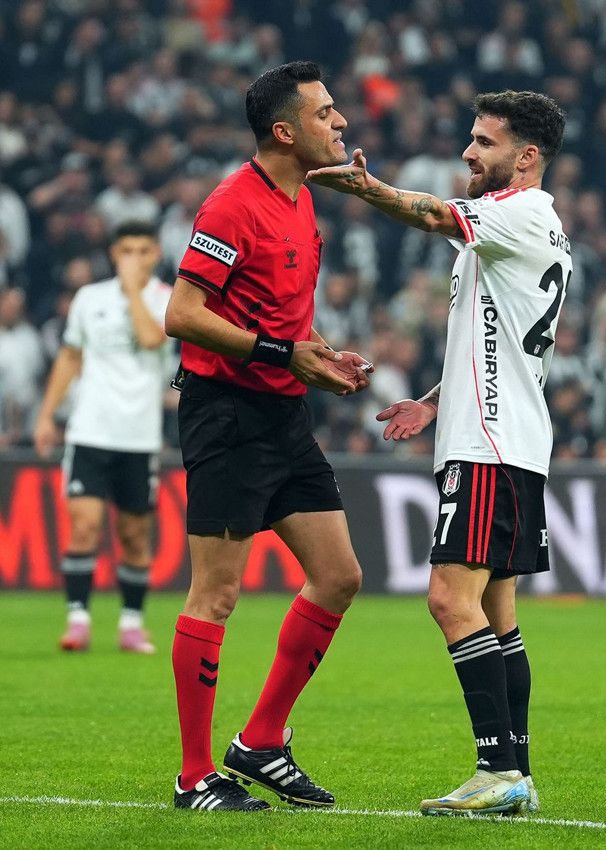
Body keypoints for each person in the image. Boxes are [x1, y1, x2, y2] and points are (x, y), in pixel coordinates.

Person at [309, 89, 570, 815]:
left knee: (449, 600)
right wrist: (431, 400)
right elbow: (495, 336)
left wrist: (367, 188)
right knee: (497, 613)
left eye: (484, 142)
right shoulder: (535, 225)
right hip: (511, 440)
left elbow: (428, 214)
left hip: (488, 444)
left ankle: (495, 771)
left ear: (526, 157)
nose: (467, 152)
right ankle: (517, 774)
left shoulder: (515, 213)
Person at [164, 62, 373, 813]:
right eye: (324, 113)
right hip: (225, 413)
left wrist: (322, 353)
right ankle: (194, 777)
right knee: (216, 594)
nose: (339, 121)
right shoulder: (230, 206)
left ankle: (259, 741)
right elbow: (182, 314)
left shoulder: (302, 198)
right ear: (284, 132)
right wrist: (285, 354)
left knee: (339, 575)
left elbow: (280, 316)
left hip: (284, 414)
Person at [33, 220, 173, 654]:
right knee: (85, 526)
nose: (135, 259)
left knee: (133, 535)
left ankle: (131, 623)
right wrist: (46, 416)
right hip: (90, 431)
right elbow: (70, 356)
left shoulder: (169, 300)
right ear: (114, 254)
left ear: (155, 254)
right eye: (126, 250)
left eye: (143, 251)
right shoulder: (89, 298)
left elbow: (151, 339)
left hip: (139, 437)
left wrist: (132, 292)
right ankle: (78, 620)